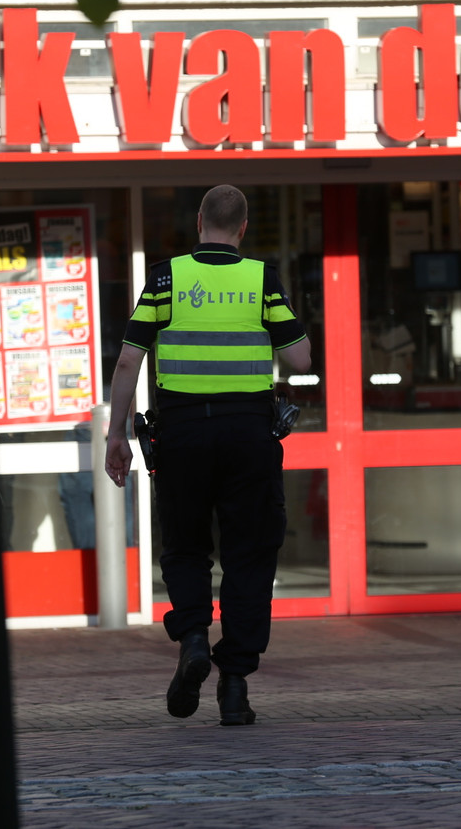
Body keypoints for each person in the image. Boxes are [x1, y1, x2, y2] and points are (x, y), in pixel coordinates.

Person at [104, 185, 312, 726]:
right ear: (243, 227)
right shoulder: (261, 279)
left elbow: (128, 362)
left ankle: (194, 636)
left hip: (182, 435)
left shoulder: (166, 278)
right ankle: (235, 687)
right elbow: (300, 358)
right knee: (249, 555)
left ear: (199, 221)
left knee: (186, 546)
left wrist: (116, 435)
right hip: (248, 437)